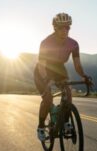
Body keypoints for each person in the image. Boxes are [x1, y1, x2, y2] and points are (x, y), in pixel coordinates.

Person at [34, 12, 93, 141]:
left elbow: (77, 65)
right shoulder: (46, 43)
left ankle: (66, 122)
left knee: (68, 92)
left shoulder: (73, 44)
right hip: (43, 70)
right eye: (61, 27)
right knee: (48, 98)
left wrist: (84, 76)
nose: (65, 30)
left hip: (59, 68)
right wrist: (46, 79)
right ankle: (41, 127)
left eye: (68, 27)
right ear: (55, 27)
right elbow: (41, 65)